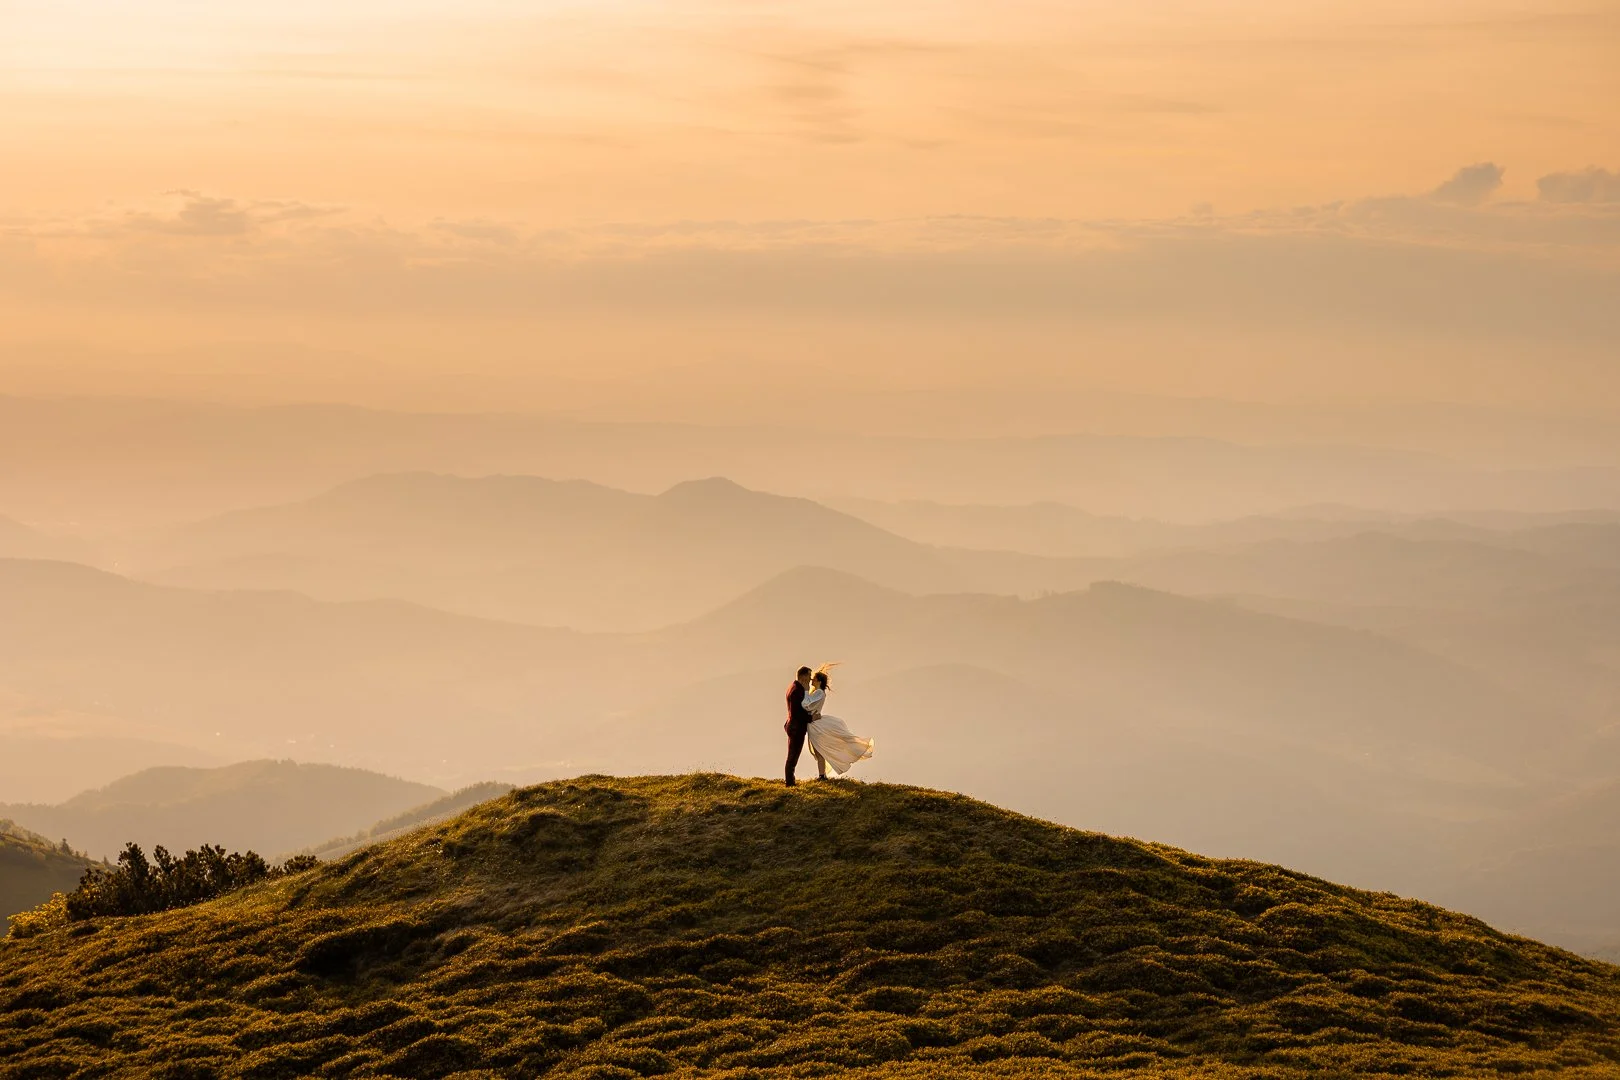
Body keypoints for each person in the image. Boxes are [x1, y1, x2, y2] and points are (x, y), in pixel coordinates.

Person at [802, 665, 874, 779]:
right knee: (819, 751)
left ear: (819, 681)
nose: (811, 680)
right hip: (814, 724)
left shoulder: (819, 692)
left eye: (814, 679)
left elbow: (806, 704)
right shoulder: (818, 692)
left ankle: (822, 775)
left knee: (819, 751)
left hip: (816, 725)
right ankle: (822, 775)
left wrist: (805, 690)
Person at [783, 665, 815, 786]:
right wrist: (811, 718)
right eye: (809, 676)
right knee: (793, 756)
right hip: (796, 728)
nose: (810, 680)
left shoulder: (793, 687)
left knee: (793, 755)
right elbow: (797, 713)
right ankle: (790, 783)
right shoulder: (797, 691)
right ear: (804, 676)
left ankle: (790, 781)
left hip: (793, 726)